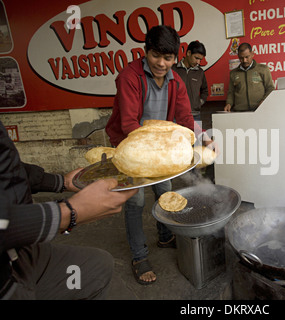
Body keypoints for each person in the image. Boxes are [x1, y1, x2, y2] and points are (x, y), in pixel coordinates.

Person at [105, 25, 214, 285]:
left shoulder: (175, 81)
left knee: (165, 192)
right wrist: (165, 149)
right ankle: (139, 256)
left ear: (176, 58)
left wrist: (205, 137)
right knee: (135, 202)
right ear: (145, 52)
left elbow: (185, 117)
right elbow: (129, 125)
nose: (161, 63)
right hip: (130, 146)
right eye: (156, 56)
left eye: (168, 58)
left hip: (158, 147)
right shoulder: (129, 76)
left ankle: (165, 236)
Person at [0, 120, 137, 300]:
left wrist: (60, 182)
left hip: (20, 252)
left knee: (98, 265)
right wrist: (67, 213)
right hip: (5, 285)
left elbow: (7, 168)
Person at [224, 42, 274, 112]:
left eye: (247, 57)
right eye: (241, 58)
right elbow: (231, 92)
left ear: (252, 54)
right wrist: (229, 103)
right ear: (238, 56)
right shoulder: (233, 73)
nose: (244, 60)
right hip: (240, 112)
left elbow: (270, 88)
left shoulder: (263, 69)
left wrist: (263, 102)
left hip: (259, 110)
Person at [172, 41, 208, 122]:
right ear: (188, 53)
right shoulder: (173, 70)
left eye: (200, 59)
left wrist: (199, 103)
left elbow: (205, 91)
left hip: (195, 115)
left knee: (197, 135)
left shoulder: (200, 72)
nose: (198, 62)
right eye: (196, 58)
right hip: (176, 116)